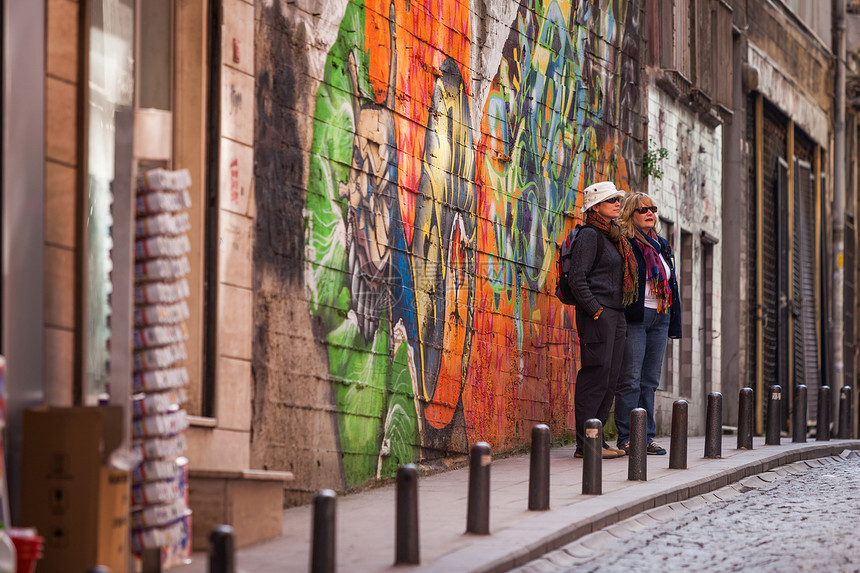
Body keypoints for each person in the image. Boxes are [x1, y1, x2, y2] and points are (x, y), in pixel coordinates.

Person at [568, 181, 639, 459]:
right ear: (596, 206)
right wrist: (595, 309)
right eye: (611, 201)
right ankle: (585, 445)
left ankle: (597, 439)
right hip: (599, 314)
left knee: (610, 378)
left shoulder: (612, 235)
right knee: (595, 376)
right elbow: (577, 279)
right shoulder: (589, 235)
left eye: (618, 200)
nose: (618, 204)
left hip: (615, 312)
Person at [614, 192, 681, 455]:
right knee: (630, 378)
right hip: (635, 316)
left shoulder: (661, 244)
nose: (649, 213)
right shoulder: (624, 243)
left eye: (652, 208)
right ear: (630, 214)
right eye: (642, 210)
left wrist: (674, 320)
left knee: (650, 380)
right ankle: (627, 437)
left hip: (660, 316)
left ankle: (647, 436)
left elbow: (671, 283)